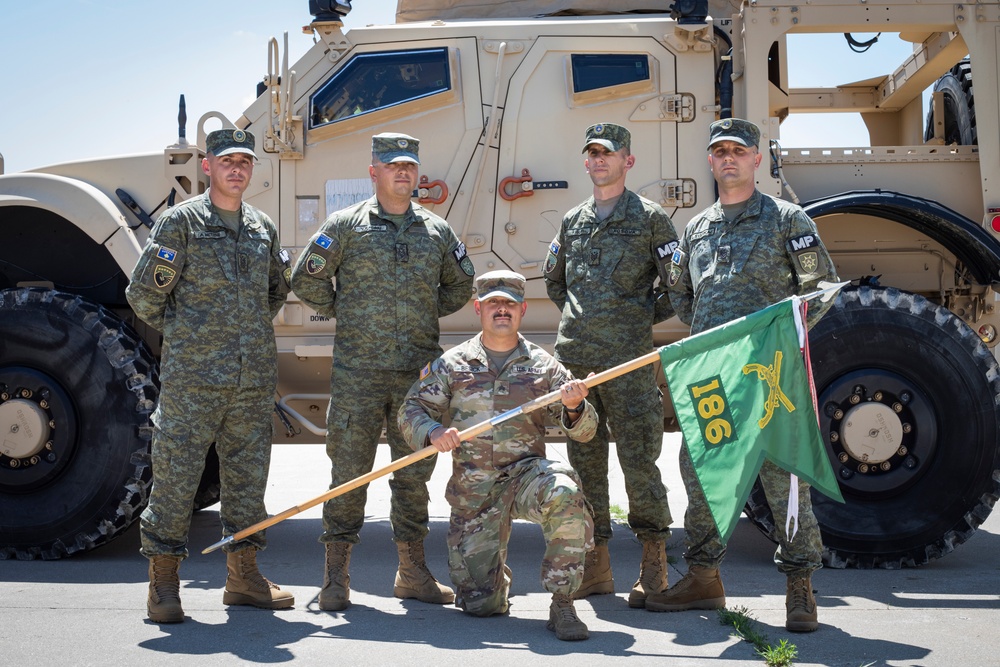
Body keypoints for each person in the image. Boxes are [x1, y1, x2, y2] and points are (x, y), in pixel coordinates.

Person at [648, 118, 839, 633]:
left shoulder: (786, 219)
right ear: (709, 161)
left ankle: (800, 587)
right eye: (719, 151)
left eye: (739, 150)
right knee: (703, 474)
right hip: (715, 379)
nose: (728, 158)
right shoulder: (697, 228)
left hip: (772, 376)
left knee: (784, 478)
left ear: (757, 159)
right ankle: (704, 576)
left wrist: (780, 338)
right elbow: (683, 301)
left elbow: (819, 291)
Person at [290, 132, 475, 611]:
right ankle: (335, 577)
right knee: (348, 474)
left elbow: (460, 284)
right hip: (358, 373)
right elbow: (305, 277)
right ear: (373, 171)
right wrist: (343, 308)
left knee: (413, 476)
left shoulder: (436, 231)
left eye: (410, 167)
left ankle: (412, 572)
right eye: (393, 166)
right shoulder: (346, 225)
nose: (403, 174)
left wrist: (424, 309)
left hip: (416, 375)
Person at [126, 128, 294, 623]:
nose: (237, 169)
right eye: (227, 161)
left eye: (245, 161)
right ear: (208, 167)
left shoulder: (261, 227)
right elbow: (144, 297)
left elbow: (274, 293)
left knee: (246, 484)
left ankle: (243, 578)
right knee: (176, 481)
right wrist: (192, 335)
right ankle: (164, 584)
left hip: (251, 382)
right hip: (193, 383)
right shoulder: (181, 223)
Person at [398, 270, 598, 641]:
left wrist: (574, 407)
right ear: (478, 308)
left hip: (527, 478)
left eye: (509, 303)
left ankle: (563, 601)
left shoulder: (544, 366)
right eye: (494, 303)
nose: (501, 310)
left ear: (523, 309)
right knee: (481, 606)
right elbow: (411, 410)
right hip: (476, 490)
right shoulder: (452, 364)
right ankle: (490, 577)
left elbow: (586, 432)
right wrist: (434, 431)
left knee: (565, 491)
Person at [542, 123, 678, 608]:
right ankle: (596, 566)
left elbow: (676, 287)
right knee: (585, 466)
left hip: (629, 365)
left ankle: (653, 565)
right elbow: (555, 282)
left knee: (640, 463)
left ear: (628, 161)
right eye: (593, 153)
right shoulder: (573, 220)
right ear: (586, 162)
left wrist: (636, 317)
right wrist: (587, 319)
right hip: (577, 363)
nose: (599, 160)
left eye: (609, 153)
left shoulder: (651, 220)